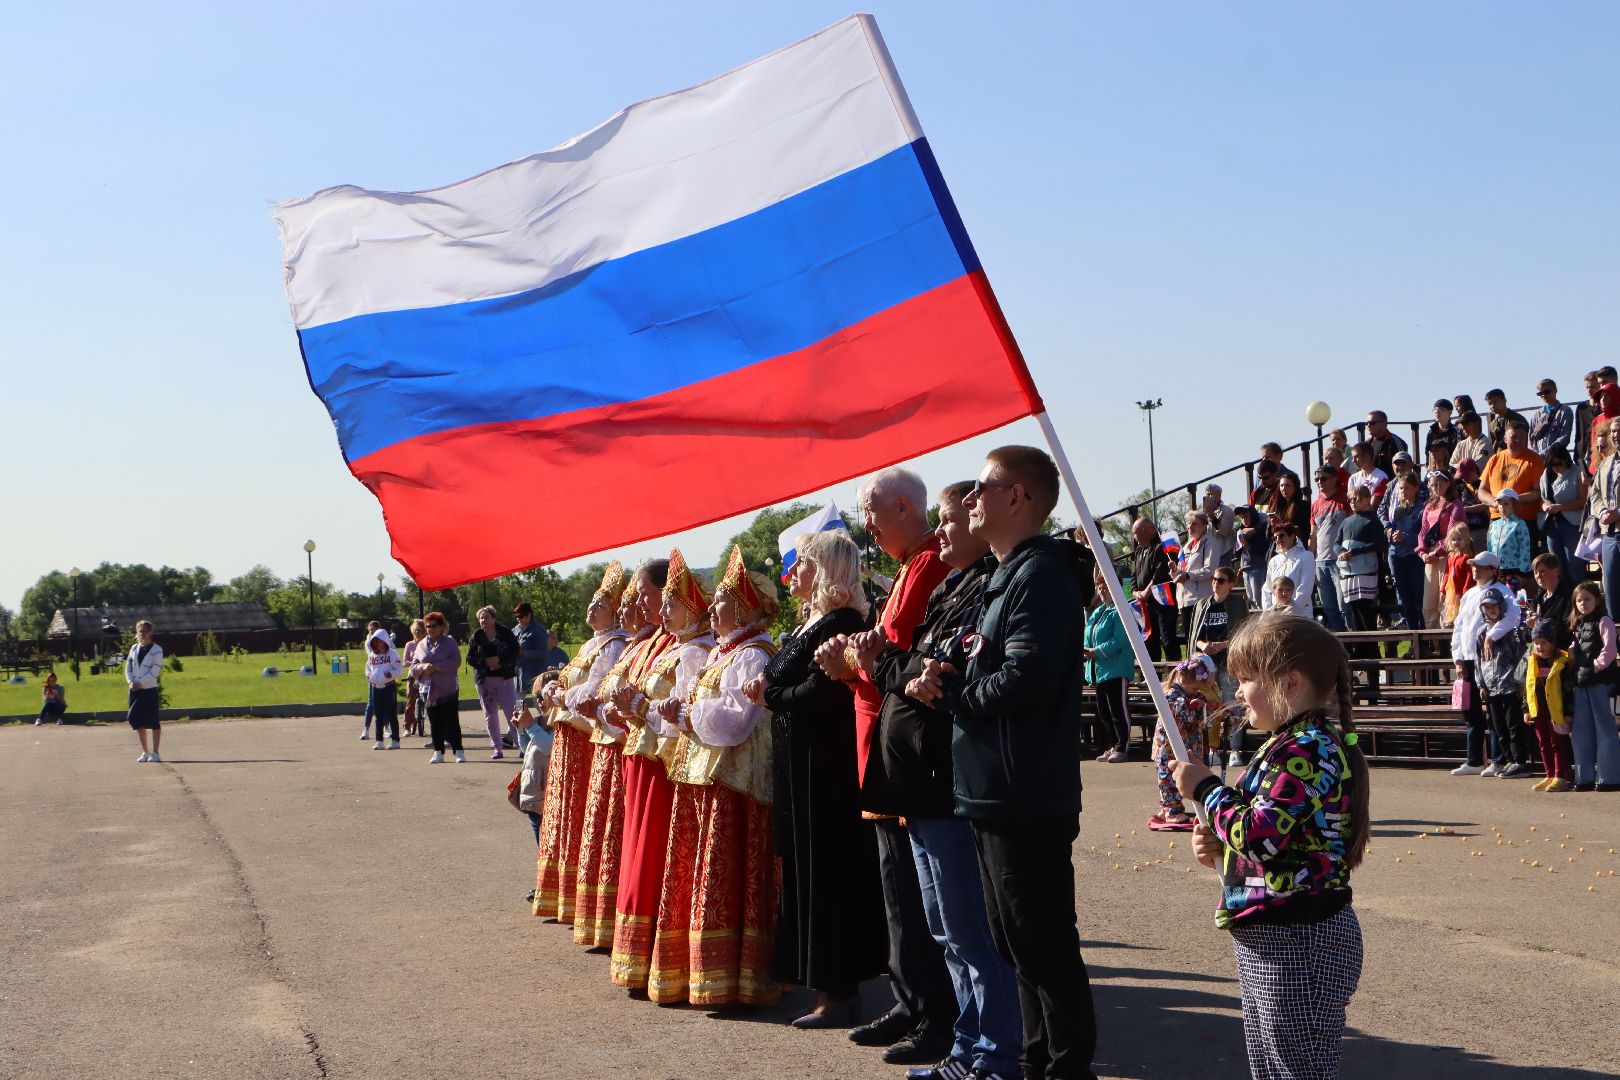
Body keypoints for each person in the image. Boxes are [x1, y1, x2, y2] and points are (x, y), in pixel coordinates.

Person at [917, 444, 1098, 1080]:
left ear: (1017, 496)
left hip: (1025, 792)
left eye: (983, 489)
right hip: (996, 788)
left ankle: (1066, 1069)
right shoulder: (1009, 575)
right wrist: (950, 675)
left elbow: (1027, 677)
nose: (970, 501)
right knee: (1016, 944)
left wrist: (953, 694)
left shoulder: (1039, 574)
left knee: (1043, 944)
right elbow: (996, 664)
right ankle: (1037, 1063)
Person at [849, 483, 1025, 1080]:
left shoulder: (988, 584)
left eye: (955, 519)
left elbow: (941, 671)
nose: (945, 530)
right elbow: (910, 666)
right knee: (947, 929)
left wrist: (886, 665)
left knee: (970, 930)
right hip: (917, 784)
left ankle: (994, 1056)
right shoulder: (951, 584)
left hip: (948, 782)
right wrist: (893, 667)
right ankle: (969, 1047)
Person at [1170, 617, 1368, 1080]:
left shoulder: (1310, 747)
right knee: (1272, 1066)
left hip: (1301, 938)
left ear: (1289, 682)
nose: (1237, 692)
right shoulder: (1286, 745)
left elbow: (1261, 834)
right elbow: (1272, 839)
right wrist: (1221, 849)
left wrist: (1206, 792)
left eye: (1244, 680)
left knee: (1295, 1069)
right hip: (1274, 933)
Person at [816, 466, 955, 1066]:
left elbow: (890, 653)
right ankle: (910, 1000)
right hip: (880, 741)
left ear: (904, 507)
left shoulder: (927, 566)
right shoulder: (909, 567)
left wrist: (851, 666)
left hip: (902, 749)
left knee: (919, 894)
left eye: (871, 511)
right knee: (898, 891)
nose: (867, 524)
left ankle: (933, 1010)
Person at [750, 532, 879, 1026]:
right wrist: (775, 690)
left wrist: (770, 696)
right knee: (810, 872)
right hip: (804, 767)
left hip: (826, 772)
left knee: (829, 876)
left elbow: (820, 693)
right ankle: (825, 983)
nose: (792, 572)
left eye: (801, 563)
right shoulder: (817, 623)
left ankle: (838, 991)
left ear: (825, 570)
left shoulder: (844, 623)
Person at [648, 546, 781, 1007]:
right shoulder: (727, 652)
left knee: (728, 873)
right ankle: (707, 974)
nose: (712, 606)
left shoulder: (753, 654)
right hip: (710, 776)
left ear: (744, 607)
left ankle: (736, 978)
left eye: (722, 599)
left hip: (736, 781)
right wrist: (676, 711)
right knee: (705, 871)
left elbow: (734, 720)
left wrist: (684, 711)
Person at [608, 552, 710, 993]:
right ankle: (640, 951)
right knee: (640, 849)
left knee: (657, 853)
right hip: (645, 754)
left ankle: (657, 950)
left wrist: (639, 707)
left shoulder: (693, 648)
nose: (652, 607)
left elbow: (679, 712)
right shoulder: (665, 644)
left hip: (666, 761)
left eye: (660, 598)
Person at [573, 564, 672, 949]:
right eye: (631, 600)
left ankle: (638, 932)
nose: (633, 608)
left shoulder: (653, 644)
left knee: (634, 841)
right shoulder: (639, 645)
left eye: (640, 597)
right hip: (625, 745)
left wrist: (616, 711)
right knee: (618, 835)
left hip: (645, 752)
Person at [528, 563, 629, 923]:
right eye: (591, 603)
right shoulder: (591, 643)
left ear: (616, 610)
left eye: (599, 605)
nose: (591, 609)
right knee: (564, 810)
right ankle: (561, 890)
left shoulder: (616, 644)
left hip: (586, 739)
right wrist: (555, 687)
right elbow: (571, 680)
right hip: (569, 737)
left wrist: (562, 695)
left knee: (581, 809)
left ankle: (580, 894)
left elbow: (593, 688)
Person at [1449, 553, 1520, 776]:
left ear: (1493, 569)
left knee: (1493, 711)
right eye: (1473, 566)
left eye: (1480, 567)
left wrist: (1492, 636)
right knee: (1470, 710)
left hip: (1491, 660)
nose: (1475, 570)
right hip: (1469, 658)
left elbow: (1512, 617)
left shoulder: (1503, 592)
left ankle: (1497, 759)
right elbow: (1459, 627)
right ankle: (1474, 759)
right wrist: (1458, 658)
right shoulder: (1469, 594)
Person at [1150, 655, 1217, 829]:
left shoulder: (1191, 694)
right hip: (1168, 745)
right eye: (1194, 687)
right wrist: (1191, 706)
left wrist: (1201, 704)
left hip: (1185, 743)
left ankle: (1169, 807)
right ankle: (1171, 809)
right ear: (1184, 680)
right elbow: (1179, 715)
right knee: (1168, 778)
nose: (1196, 691)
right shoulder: (1172, 695)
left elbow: (1199, 707)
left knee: (1181, 775)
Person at [1565, 581, 1620, 791]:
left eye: (1587, 599)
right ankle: (1584, 777)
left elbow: (1609, 649)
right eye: (1579, 600)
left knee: (1605, 729)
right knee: (1580, 731)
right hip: (1581, 681)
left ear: (1597, 600)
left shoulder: (1604, 621)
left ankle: (1609, 777)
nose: (1583, 603)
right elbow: (1573, 651)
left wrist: (1594, 667)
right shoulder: (1577, 624)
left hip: (1600, 681)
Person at [1191, 568, 1250, 765]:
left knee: (1233, 706)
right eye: (1214, 579)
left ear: (1231, 583)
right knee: (1210, 708)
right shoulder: (1202, 605)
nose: (1216, 582)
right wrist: (1203, 646)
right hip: (1207, 665)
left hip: (1229, 661)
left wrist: (1224, 644)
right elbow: (1195, 637)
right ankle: (1213, 749)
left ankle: (1235, 750)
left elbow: (1243, 634)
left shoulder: (1237, 604)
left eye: (1221, 580)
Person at [1474, 588, 1530, 778]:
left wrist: (1520, 682)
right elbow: (1478, 660)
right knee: (1499, 728)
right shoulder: (1482, 633)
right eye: (1487, 607)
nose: (1491, 609)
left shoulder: (1511, 631)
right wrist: (1481, 684)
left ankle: (1519, 761)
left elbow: (1522, 655)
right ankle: (1508, 760)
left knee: (1514, 726)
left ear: (1501, 606)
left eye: (1494, 605)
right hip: (1491, 687)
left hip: (1510, 685)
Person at [1086, 569, 1135, 763]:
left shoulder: (1121, 610)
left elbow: (1121, 640)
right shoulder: (1098, 612)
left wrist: (1096, 650)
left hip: (1116, 668)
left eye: (1105, 587)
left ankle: (1123, 747)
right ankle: (1112, 745)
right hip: (1098, 670)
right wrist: (1087, 649)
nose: (1102, 591)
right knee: (1104, 712)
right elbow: (1089, 634)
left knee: (1118, 710)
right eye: (1100, 588)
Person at [1523, 623, 1575, 792]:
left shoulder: (1562, 661)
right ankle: (1549, 774)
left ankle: (1561, 776)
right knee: (1543, 742)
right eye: (1537, 642)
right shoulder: (1532, 661)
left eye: (1544, 642)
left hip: (1556, 710)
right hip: (1539, 709)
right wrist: (1526, 709)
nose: (1540, 646)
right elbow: (1528, 685)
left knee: (1557, 742)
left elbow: (1568, 690)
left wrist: (1567, 712)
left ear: (1552, 642)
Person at [467, 606, 521, 759]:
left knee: (513, 712)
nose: (484, 620)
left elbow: (514, 650)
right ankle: (497, 747)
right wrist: (486, 662)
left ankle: (521, 745)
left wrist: (500, 660)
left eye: (487, 617)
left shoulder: (505, 633)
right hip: (485, 681)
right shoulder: (476, 636)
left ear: (494, 618)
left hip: (505, 679)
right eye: (481, 618)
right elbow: (470, 658)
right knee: (490, 715)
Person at [411, 612, 462, 764]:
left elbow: (456, 662)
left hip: (447, 689)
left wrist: (436, 667)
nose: (430, 629)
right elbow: (413, 667)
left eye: (433, 626)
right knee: (435, 722)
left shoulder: (449, 642)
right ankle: (438, 751)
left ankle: (458, 750)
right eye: (427, 626)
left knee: (451, 721)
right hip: (428, 690)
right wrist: (422, 667)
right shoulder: (421, 645)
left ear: (441, 627)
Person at [1417, 469, 1466, 631]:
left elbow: (1453, 532)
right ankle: (1433, 641)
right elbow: (1423, 531)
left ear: (1447, 483)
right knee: (1429, 601)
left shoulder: (1455, 506)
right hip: (1430, 557)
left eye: (1438, 484)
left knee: (1444, 598)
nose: (1435, 488)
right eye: (1432, 485)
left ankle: (1447, 637)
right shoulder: (1430, 506)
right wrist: (1423, 552)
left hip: (1447, 555)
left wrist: (1437, 552)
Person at [1337, 485, 1387, 636]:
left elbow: (1379, 544)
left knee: (1365, 608)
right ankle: (1360, 646)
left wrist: (1355, 551)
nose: (1353, 502)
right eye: (1350, 499)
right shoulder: (1346, 521)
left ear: (1367, 499)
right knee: (1353, 607)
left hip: (1365, 570)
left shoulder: (1373, 520)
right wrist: (1341, 552)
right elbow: (1336, 542)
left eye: (1356, 499)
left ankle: (1371, 646)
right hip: (1348, 570)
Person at [1479, 418, 1544, 529]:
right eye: (1513, 437)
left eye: (1522, 437)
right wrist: (1495, 502)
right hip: (1497, 518)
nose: (1518, 440)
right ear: (1505, 439)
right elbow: (1481, 490)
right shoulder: (1494, 459)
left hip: (1524, 520)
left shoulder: (1535, 459)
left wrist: (1513, 499)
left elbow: (1538, 493)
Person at [1130, 517, 1179, 661]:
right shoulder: (1139, 550)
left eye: (1135, 533)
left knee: (1167, 639)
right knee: (1149, 640)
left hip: (1163, 601)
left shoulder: (1161, 547)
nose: (1134, 537)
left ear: (1144, 531)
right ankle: (1153, 677)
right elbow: (1135, 574)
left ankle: (1174, 675)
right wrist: (1135, 592)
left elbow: (1161, 572)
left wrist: (1147, 591)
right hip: (1145, 604)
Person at [1537, 445, 1587, 585]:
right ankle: (1561, 601)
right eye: (1553, 464)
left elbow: (1583, 502)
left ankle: (1578, 600)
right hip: (1552, 526)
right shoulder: (1546, 475)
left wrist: (1560, 507)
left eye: (1559, 463)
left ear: (1566, 459)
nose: (1556, 467)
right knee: (1555, 566)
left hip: (1572, 524)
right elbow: (1542, 499)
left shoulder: (1577, 472)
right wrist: (1545, 506)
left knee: (1574, 565)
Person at [1383, 473, 1426, 630]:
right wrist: (1392, 536)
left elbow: (1424, 537)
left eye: (1407, 488)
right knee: (1406, 600)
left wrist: (1405, 537)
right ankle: (1413, 639)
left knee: (1418, 600)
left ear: (1415, 488)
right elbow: (1393, 532)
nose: (1403, 491)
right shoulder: (1398, 511)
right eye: (1401, 488)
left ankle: (1424, 640)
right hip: (1399, 557)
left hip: (1414, 557)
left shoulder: (1422, 510)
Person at [1309, 468, 1350, 631]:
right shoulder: (1316, 504)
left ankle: (1355, 642)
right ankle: (1339, 645)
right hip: (1321, 561)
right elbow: (1313, 534)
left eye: (1324, 479)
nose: (1320, 483)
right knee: (1329, 608)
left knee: (1344, 606)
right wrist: (1310, 558)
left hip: (1340, 559)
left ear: (1334, 479)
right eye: (1317, 480)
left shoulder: (1344, 498)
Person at [1173, 509, 1217, 648]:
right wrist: (1174, 571)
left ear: (1204, 526)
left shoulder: (1210, 543)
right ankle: (1191, 667)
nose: (1190, 527)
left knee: (1200, 639)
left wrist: (1188, 575)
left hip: (1200, 599)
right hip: (1184, 599)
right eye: (1188, 523)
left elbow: (1210, 570)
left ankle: (1202, 668)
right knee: (1189, 640)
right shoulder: (1186, 546)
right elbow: (1182, 570)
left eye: (1194, 524)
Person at [512, 602, 551, 755]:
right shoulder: (515, 630)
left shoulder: (538, 631)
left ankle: (545, 737)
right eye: (517, 617)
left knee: (542, 707)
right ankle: (522, 739)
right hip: (520, 675)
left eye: (521, 616)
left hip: (536, 675)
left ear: (529, 615)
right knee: (519, 707)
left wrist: (524, 653)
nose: (519, 619)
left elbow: (543, 652)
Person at [1592, 415, 1620, 622]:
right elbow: (1595, 494)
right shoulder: (1606, 463)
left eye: (1619, 431)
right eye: (1613, 431)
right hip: (1609, 534)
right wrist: (1602, 512)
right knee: (1610, 587)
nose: (1616, 435)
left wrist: (1618, 513)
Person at [126, 620, 164, 763]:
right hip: (134, 689)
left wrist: (141, 683)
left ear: (150, 632)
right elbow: (128, 668)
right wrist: (131, 681)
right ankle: (145, 752)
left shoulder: (157, 650)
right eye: (140, 631)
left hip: (148, 689)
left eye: (144, 631)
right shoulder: (134, 648)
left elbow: (155, 671)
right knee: (135, 718)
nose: (142, 634)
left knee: (153, 721)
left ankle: (155, 752)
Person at [1263, 522, 1315, 619]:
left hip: (1301, 615)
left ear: (1292, 536)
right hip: (1276, 616)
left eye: (1281, 536)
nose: (1278, 540)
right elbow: (1267, 588)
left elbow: (1306, 588)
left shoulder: (1307, 556)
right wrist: (1268, 612)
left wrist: (1291, 611)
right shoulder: (1274, 561)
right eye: (1275, 538)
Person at [1523, 552, 1573, 651]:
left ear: (1556, 571)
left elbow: (1568, 631)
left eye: (1542, 571)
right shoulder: (1537, 598)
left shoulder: (1568, 597)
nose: (1538, 576)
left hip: (1561, 655)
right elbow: (1527, 636)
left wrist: (1541, 625)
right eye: (1535, 572)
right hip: (1540, 655)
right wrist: (1530, 626)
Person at [364, 628, 402, 750]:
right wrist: (368, 675)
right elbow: (367, 668)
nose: (377, 644)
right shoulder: (372, 655)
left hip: (389, 687)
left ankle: (395, 740)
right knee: (378, 715)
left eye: (379, 641)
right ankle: (379, 741)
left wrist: (390, 674)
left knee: (391, 714)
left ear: (385, 641)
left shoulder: (393, 654)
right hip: (375, 688)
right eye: (375, 641)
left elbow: (399, 669)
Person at [1530, 378, 1576, 460]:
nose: (1543, 395)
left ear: (1555, 390)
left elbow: (1564, 437)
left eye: (1547, 392)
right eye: (1540, 393)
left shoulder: (1565, 411)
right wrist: (1535, 455)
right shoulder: (1537, 414)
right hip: (1537, 460)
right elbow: (1531, 439)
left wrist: (1544, 454)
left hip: (1557, 459)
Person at [1440, 523, 1474, 628]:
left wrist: (1466, 590)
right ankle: (1451, 626)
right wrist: (1442, 590)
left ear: (1466, 540)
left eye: (1459, 539)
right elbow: (1447, 574)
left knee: (1462, 611)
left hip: (1461, 591)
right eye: (1454, 540)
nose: (1456, 542)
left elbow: (1470, 575)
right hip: (1452, 591)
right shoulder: (1451, 557)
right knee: (1451, 612)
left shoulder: (1467, 557)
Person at [1234, 506, 1268, 610]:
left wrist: (1248, 545)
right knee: (1251, 600)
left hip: (1257, 568)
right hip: (1246, 569)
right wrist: (1241, 567)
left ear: (1253, 516)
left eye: (1246, 516)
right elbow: (1238, 552)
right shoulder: (1241, 531)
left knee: (1259, 601)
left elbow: (1262, 550)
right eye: (1241, 517)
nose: (1244, 520)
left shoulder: (1260, 531)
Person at [401, 619, 427, 738]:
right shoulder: (409, 644)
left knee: (428, 701)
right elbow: (404, 661)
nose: (417, 633)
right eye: (415, 630)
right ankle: (407, 725)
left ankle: (422, 723)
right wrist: (413, 663)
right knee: (411, 701)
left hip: (425, 676)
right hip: (412, 676)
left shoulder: (427, 643)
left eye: (420, 631)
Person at [1575, 370, 1604, 471]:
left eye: (1592, 387)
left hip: (1599, 451)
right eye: (1587, 387)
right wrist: (1577, 454)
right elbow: (1578, 433)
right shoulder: (1581, 407)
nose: (1589, 390)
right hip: (1583, 453)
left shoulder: (1603, 406)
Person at [359, 619, 383, 740]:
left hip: (385, 675)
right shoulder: (368, 642)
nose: (370, 632)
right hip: (374, 674)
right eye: (369, 630)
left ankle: (387, 728)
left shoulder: (386, 641)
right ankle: (366, 729)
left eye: (372, 630)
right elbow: (372, 654)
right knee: (371, 703)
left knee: (386, 704)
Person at [1364, 410, 1407, 476]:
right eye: (1367, 423)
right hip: (1371, 484)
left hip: (1390, 484)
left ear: (1384, 423)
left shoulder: (1395, 442)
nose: (1368, 426)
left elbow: (1403, 467)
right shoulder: (1366, 444)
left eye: (1372, 423)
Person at [1202, 484, 1236, 565]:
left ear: (1219, 496)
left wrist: (1211, 516)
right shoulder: (1201, 513)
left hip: (1222, 554)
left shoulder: (1227, 511)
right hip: (1206, 554)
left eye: (1212, 494)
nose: (1210, 497)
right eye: (1208, 494)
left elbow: (1224, 531)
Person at [1424, 398, 1460, 465]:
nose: (1437, 412)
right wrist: (1428, 466)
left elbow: (1456, 453)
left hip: (1449, 468)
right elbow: (1427, 452)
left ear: (1450, 412)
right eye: (1435, 410)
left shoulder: (1454, 431)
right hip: (1433, 467)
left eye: (1441, 409)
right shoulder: (1431, 431)